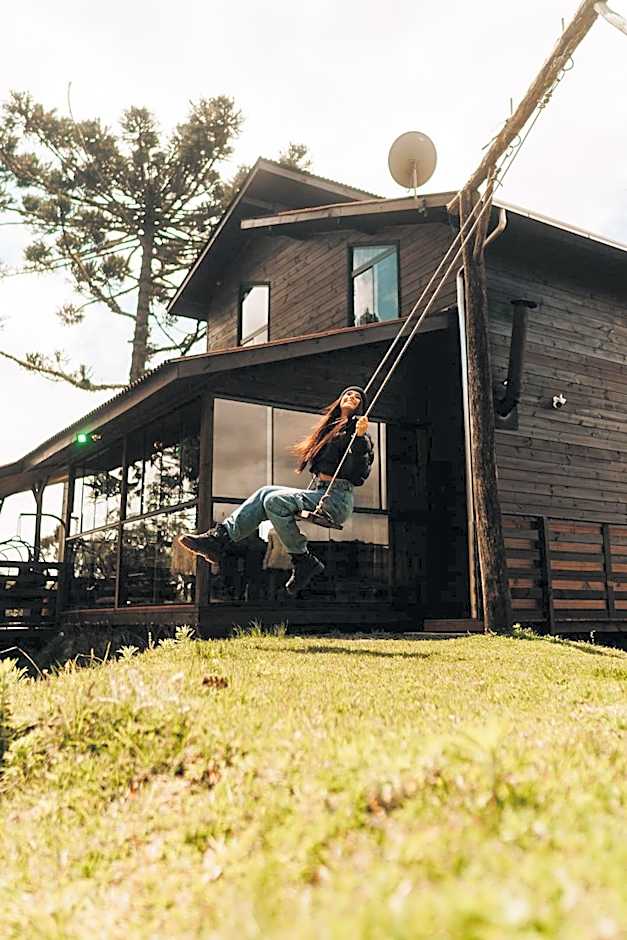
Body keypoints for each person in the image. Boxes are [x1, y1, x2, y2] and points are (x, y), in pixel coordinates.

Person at [178, 386, 375, 595]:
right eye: (348, 394)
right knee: (265, 493)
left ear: (361, 407)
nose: (352, 397)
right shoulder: (331, 429)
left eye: (357, 398)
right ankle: (218, 540)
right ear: (340, 400)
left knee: (275, 502)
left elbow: (359, 473)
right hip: (320, 492)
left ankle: (302, 559)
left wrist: (361, 438)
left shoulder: (359, 434)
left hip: (336, 499)